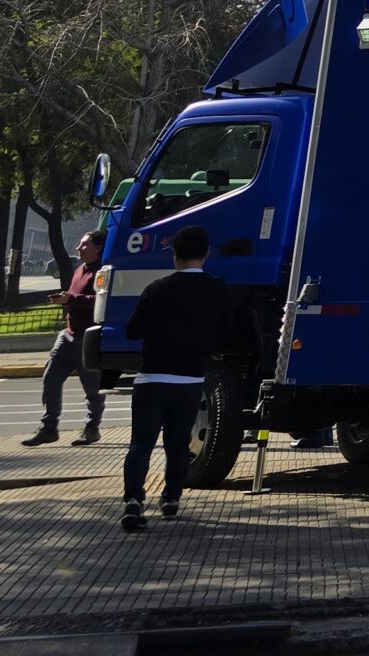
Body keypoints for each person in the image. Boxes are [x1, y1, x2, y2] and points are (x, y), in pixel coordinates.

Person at [118, 224, 232, 530]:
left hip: (152, 378)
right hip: (190, 379)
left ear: (174, 255)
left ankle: (133, 500)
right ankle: (171, 497)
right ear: (206, 253)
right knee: (177, 443)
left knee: (140, 444)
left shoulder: (157, 289)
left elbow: (132, 331)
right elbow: (225, 332)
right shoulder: (218, 290)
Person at [26, 231, 107, 447]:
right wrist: (66, 300)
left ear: (98, 248)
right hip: (68, 336)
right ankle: (49, 428)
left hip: (88, 338)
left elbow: (100, 299)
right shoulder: (79, 269)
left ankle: (92, 429)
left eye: (83, 245)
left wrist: (71, 299)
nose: (78, 249)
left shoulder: (103, 270)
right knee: (50, 379)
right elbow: (76, 297)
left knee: (93, 389)